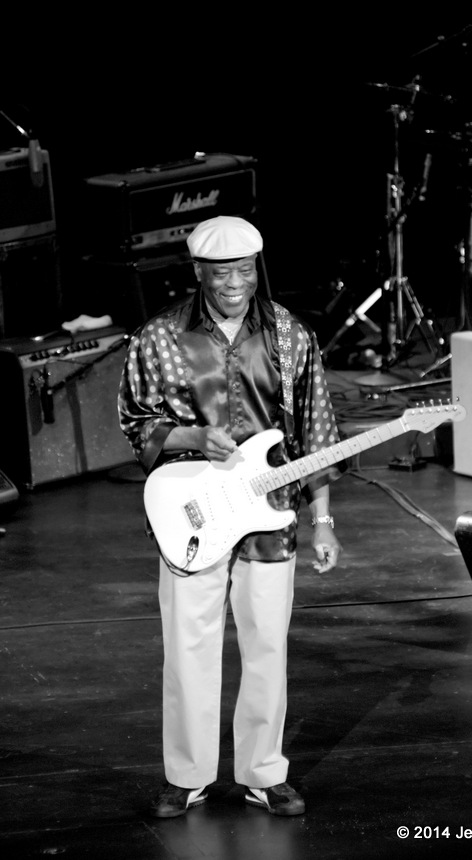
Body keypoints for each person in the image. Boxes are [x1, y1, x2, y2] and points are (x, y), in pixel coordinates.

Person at [118, 215, 344, 819]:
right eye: (221, 275)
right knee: (188, 646)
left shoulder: (291, 336)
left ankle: (263, 773)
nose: (235, 284)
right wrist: (192, 432)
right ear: (198, 273)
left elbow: (316, 434)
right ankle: (186, 776)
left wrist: (322, 519)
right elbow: (135, 422)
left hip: (272, 515)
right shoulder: (160, 336)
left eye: (244, 271)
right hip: (195, 515)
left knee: (268, 646)